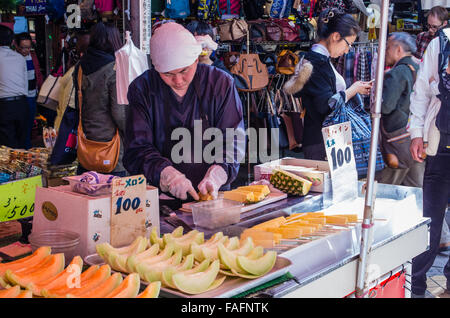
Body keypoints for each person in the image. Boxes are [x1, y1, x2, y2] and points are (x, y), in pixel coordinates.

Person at [124, 22, 245, 204]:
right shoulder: (142, 89)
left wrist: (218, 173)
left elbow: (233, 139)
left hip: (213, 196)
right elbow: (137, 148)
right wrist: (167, 175)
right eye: (168, 74)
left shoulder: (220, 83)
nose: (178, 80)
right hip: (161, 199)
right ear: (156, 69)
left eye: (184, 70)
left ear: (196, 59)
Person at [291, 8, 372, 160]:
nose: (348, 51)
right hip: (322, 141)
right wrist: (354, 90)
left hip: (323, 139)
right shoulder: (317, 63)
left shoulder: (318, 61)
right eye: (348, 44)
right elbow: (326, 105)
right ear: (336, 36)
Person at [408, 27, 450, 298]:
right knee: (430, 221)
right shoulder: (441, 42)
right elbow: (421, 90)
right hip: (439, 146)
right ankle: (417, 288)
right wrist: (416, 133)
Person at [74, 22, 127, 177]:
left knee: (88, 193)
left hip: (87, 143)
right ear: (113, 40)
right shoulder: (114, 69)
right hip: (111, 148)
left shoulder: (80, 67)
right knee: (113, 196)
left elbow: (79, 104)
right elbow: (119, 113)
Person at [378, 32, 424, 187]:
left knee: (386, 187)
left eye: (388, 48)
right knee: (416, 186)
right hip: (416, 137)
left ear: (398, 49)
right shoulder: (418, 68)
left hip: (397, 141)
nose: (385, 52)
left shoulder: (397, 73)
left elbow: (385, 106)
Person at [0, 25, 29, 150]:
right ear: (12, 42)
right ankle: (22, 169)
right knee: (21, 143)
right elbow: (25, 83)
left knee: (7, 146)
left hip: (4, 106)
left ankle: (9, 170)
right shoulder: (20, 58)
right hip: (22, 104)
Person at [54, 30, 90, 131]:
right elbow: (69, 106)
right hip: (70, 131)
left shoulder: (74, 72)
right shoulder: (76, 74)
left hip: (65, 127)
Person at [14, 32, 44, 149]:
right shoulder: (13, 58)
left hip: (32, 95)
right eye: (23, 47)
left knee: (29, 124)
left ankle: (26, 148)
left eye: (28, 47)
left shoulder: (33, 55)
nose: (26, 50)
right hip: (20, 96)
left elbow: (38, 74)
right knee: (20, 126)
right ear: (16, 46)